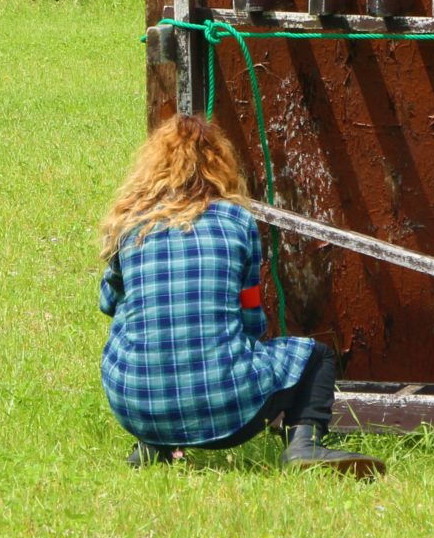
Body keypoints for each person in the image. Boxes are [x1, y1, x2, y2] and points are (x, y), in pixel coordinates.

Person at [97, 115, 382, 476]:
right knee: (316, 357)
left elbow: (108, 303)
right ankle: (303, 445)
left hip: (135, 406)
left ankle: (154, 445)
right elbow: (250, 316)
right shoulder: (236, 221)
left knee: (151, 345)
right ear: (220, 164)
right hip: (232, 412)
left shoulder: (131, 226)